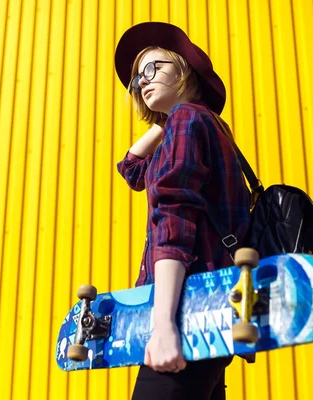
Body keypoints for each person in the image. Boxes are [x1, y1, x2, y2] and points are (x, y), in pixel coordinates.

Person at [114, 22, 252, 399]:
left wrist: (163, 325)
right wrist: (162, 122)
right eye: (137, 78)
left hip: (187, 312)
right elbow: (131, 170)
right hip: (213, 311)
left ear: (185, 70)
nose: (142, 82)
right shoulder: (203, 124)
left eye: (153, 68)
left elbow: (174, 220)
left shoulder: (188, 121)